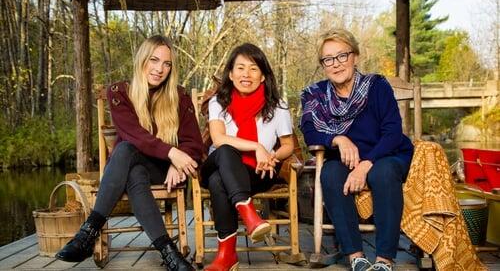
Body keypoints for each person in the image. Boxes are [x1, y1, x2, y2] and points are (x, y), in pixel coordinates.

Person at [56, 35, 202, 271]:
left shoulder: (180, 96)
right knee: (130, 161)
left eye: (167, 64)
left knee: (125, 151)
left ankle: (88, 233)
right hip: (129, 169)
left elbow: (194, 143)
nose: (159, 69)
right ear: (142, 59)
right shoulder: (120, 92)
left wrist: (176, 160)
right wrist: (172, 152)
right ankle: (170, 254)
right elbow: (134, 134)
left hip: (165, 172)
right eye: (154, 60)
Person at [300, 28, 414, 271]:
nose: (336, 64)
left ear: (355, 56)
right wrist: (338, 139)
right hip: (345, 159)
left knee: (382, 173)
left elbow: (393, 131)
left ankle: (384, 260)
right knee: (329, 174)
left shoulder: (376, 86)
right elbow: (310, 132)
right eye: (328, 59)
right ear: (323, 64)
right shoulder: (315, 95)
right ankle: (356, 257)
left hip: (386, 153)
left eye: (342, 55)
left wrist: (366, 163)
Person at [201, 43, 294, 271]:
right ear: (231, 74)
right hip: (216, 164)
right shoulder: (218, 102)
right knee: (224, 152)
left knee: (218, 182)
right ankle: (249, 214)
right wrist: (256, 147)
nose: (246, 74)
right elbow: (218, 139)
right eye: (240, 68)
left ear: (263, 76)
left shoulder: (278, 105)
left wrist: (272, 155)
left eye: (253, 69)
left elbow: (288, 146)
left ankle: (227, 256)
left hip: (257, 172)